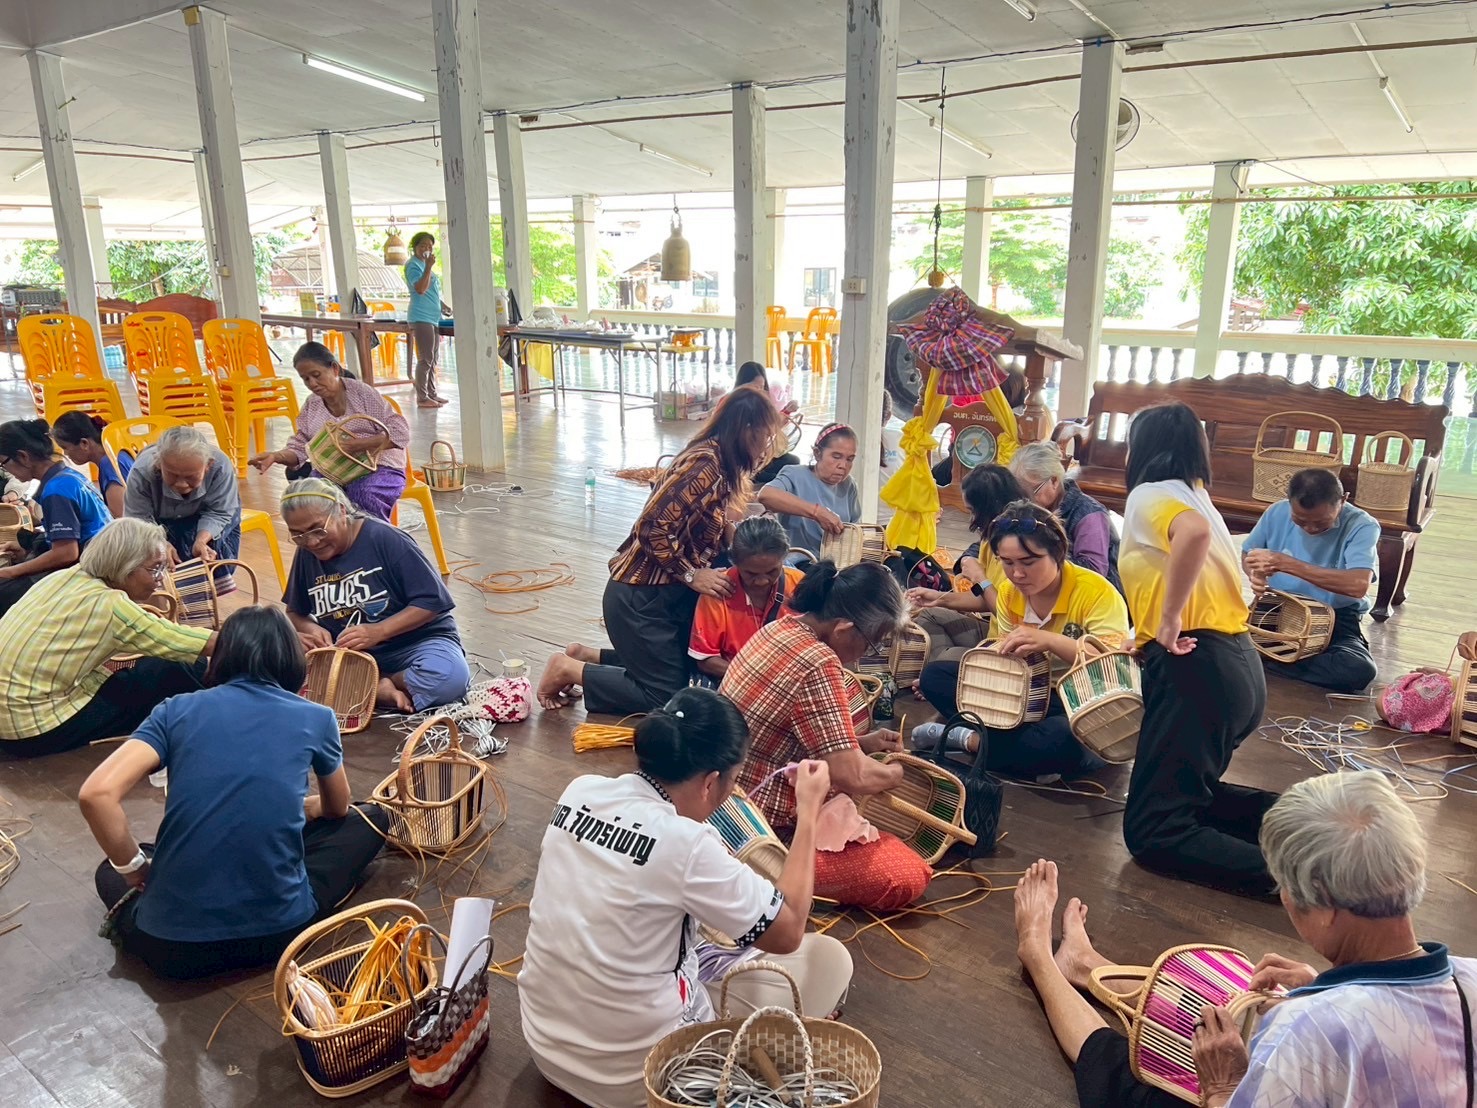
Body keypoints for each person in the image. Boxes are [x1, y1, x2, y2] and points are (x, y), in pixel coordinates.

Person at [1012, 771, 1477, 1108]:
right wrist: (1328, 989)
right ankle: (1088, 965)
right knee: (1223, 1014)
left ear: (1327, 910)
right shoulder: (1469, 978)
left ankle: (1038, 955)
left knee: (1135, 1078)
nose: (1285, 899)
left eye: (1285, 888)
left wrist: (1224, 1090)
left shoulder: (1307, 1030)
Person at [519, 687, 852, 1108]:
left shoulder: (580, 791)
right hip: (640, 1078)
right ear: (711, 782)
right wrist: (809, 811)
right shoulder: (688, 843)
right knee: (829, 959)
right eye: (733, 781)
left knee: (697, 946)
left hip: (547, 1049)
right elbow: (788, 932)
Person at [80, 606, 391, 980]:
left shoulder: (174, 711)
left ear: (222, 656)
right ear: (293, 660)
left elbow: (96, 794)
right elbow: (338, 808)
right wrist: (306, 808)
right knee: (370, 818)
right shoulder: (316, 716)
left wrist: (134, 869)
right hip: (279, 936)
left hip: (167, 948)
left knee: (112, 868)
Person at [540, 387, 785, 715]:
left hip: (661, 594)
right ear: (746, 430)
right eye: (765, 437)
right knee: (664, 697)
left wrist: (730, 534)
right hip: (640, 596)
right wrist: (692, 574)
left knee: (681, 671)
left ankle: (586, 657)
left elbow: (698, 520)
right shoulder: (705, 464)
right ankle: (568, 669)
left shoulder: (721, 464)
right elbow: (652, 527)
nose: (766, 447)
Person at [1118, 402, 1277, 898]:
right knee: (1185, 797)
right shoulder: (1196, 495)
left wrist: (1168, 622)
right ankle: (1307, 824)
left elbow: (1193, 535)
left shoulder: (1150, 494)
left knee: (1154, 831)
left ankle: (1311, 880)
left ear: (1139, 449)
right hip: (1235, 666)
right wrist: (1147, 630)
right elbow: (1181, 569)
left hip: (1198, 670)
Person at [721, 561, 933, 911]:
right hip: (762, 826)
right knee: (907, 874)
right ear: (844, 627)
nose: (864, 655)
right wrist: (897, 773)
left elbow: (784, 734)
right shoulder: (819, 661)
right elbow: (853, 775)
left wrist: (862, 744)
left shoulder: (780, 628)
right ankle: (771, 870)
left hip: (727, 797)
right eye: (871, 643)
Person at [911, 502, 1128, 779]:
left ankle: (968, 739)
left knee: (1065, 739)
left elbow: (1111, 663)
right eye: (1007, 562)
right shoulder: (1009, 593)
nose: (1017, 574)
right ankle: (1012, 749)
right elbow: (1004, 662)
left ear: (1058, 552)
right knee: (935, 676)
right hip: (1021, 694)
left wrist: (1049, 641)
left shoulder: (1096, 593)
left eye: (1029, 562)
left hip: (1079, 701)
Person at [0, 518, 211, 757]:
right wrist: (244, 637)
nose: (160, 578)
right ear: (125, 565)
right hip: (31, 729)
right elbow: (185, 641)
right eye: (155, 569)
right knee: (180, 666)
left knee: (144, 667)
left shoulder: (65, 577)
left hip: (7, 717)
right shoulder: (112, 605)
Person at [281, 478, 470, 712]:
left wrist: (379, 631)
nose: (311, 541)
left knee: (450, 679)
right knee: (274, 667)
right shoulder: (306, 553)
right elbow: (295, 611)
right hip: (352, 656)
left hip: (415, 645)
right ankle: (376, 688)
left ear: (341, 511)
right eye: (298, 535)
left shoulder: (385, 538)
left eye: (317, 529)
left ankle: (379, 683)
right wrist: (310, 629)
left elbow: (432, 601)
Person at [1242, 468, 1378, 694]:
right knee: (1217, 638)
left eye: (1321, 522)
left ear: (1343, 500)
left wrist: (1287, 564)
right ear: (1289, 501)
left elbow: (1358, 585)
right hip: (1278, 607)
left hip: (1334, 616)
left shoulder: (1362, 525)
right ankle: (1274, 655)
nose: (1311, 528)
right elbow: (1249, 553)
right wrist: (1255, 573)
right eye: (1300, 520)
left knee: (1358, 669)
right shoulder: (1276, 512)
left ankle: (1264, 657)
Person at [248, 341, 411, 520]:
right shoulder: (312, 405)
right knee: (312, 496)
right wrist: (275, 456)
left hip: (381, 468)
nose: (312, 383)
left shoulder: (362, 394)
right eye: (306, 379)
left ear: (334, 369)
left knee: (363, 493)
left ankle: (370, 536)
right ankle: (326, 537)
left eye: (316, 375)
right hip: (334, 471)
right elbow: (301, 447)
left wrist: (360, 445)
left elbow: (400, 432)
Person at [0, 417, 112, 615]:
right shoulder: (69, 476)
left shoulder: (56, 491)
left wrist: (12, 571)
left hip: (90, 570)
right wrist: (26, 555)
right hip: (98, 556)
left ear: (23, 457)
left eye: (3, 464)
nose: (5, 470)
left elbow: (66, 553)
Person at [913, 463, 1019, 660]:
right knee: (929, 615)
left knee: (941, 665)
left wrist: (980, 578)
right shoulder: (991, 538)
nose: (971, 520)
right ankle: (945, 668)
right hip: (993, 633)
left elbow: (1009, 618)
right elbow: (985, 599)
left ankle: (946, 669)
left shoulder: (1019, 549)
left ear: (989, 507)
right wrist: (939, 598)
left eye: (972, 511)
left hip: (1012, 645)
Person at [123, 424, 241, 589]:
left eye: (191, 477)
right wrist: (160, 543)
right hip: (160, 522)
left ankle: (202, 594)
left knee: (209, 556)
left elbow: (219, 511)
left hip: (207, 515)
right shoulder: (142, 471)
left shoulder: (220, 466)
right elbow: (138, 519)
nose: (181, 484)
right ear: (159, 464)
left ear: (208, 466)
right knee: (155, 561)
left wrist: (201, 540)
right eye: (172, 474)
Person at [689, 516, 804, 684]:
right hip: (737, 683)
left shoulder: (799, 584)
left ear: (783, 559)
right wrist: (757, 677)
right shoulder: (717, 591)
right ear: (735, 562)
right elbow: (706, 660)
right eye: (751, 574)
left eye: (772, 571)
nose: (762, 581)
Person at [1009, 442, 1122, 593]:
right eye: (1021, 494)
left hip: (1091, 598)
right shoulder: (1031, 506)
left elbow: (1093, 572)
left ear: (1054, 481)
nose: (1026, 500)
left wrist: (1038, 554)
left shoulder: (1089, 513)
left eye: (1032, 492)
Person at [755, 422, 861, 557]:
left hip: (837, 563)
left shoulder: (849, 485)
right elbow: (766, 495)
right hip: (799, 562)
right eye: (836, 457)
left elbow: (855, 530)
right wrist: (817, 512)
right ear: (817, 453)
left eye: (850, 459)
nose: (843, 465)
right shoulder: (795, 475)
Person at [51, 410, 127, 518]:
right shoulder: (118, 454)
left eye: (65, 448)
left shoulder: (109, 465)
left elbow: (122, 519)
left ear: (84, 443)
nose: (66, 454)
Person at [734, 361, 799, 484]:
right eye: (754, 387)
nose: (759, 392)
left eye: (761, 387)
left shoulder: (760, 404)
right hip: (741, 460)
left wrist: (787, 411)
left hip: (759, 457)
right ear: (742, 385)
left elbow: (772, 425)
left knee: (793, 463)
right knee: (779, 477)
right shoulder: (734, 405)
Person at [404, 231, 447, 408]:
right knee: (425, 359)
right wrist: (428, 267)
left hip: (433, 317)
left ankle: (431, 393)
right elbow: (420, 289)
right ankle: (422, 398)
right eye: (423, 245)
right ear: (414, 247)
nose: (427, 249)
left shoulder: (424, 265)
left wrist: (442, 306)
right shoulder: (413, 265)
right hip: (421, 317)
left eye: (429, 246)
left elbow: (430, 291)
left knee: (433, 358)